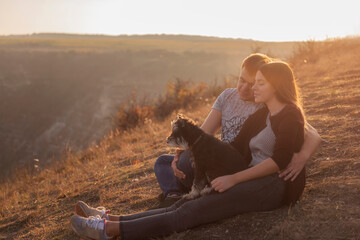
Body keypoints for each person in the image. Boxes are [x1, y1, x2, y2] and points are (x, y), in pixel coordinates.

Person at [70, 60, 321, 240]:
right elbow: (232, 147)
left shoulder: (290, 114)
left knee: (192, 211)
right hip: (251, 175)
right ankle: (108, 221)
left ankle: (107, 231)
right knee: (184, 203)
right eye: (251, 82)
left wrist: (233, 178)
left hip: (275, 185)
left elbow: (280, 160)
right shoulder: (262, 114)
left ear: (276, 86)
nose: (252, 88)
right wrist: (192, 147)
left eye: (259, 83)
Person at [154, 53, 321, 207]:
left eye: (252, 83)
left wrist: (302, 156)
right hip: (215, 153)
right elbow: (202, 134)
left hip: (233, 163)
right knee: (164, 161)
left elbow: (310, 131)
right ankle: (174, 194)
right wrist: (179, 152)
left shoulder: (266, 102)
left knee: (186, 163)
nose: (245, 88)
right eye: (241, 80)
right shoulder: (228, 96)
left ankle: (193, 189)